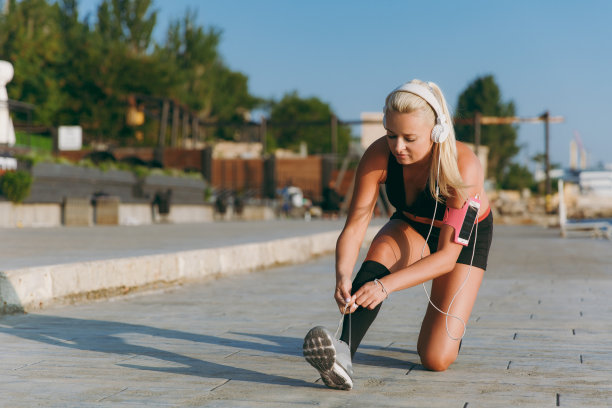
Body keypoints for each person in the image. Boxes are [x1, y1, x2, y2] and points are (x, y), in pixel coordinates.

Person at [303, 79, 494, 390]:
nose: (398, 147)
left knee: (435, 359)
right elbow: (355, 224)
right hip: (411, 226)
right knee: (381, 250)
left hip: (460, 243)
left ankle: (451, 331)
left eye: (409, 138)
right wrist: (342, 275)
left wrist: (385, 286)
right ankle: (342, 352)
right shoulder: (378, 155)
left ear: (437, 133)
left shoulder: (464, 167)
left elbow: (447, 257)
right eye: (391, 135)